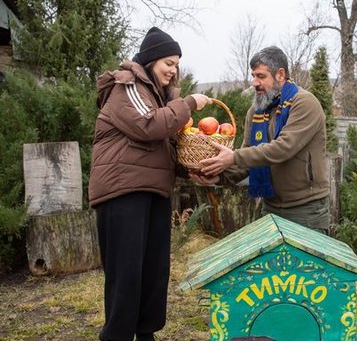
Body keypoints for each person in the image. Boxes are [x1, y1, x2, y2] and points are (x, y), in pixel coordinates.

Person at [88, 26, 211, 341]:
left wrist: (189, 171)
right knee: (126, 274)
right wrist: (190, 104)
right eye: (168, 62)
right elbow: (149, 127)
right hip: (123, 192)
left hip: (154, 191)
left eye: (176, 64)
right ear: (151, 59)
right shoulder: (127, 85)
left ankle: (145, 335)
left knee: (154, 273)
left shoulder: (157, 96)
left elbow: (160, 148)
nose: (173, 70)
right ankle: (115, 336)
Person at [190, 46, 331, 234]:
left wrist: (233, 157)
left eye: (261, 76)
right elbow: (248, 158)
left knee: (305, 264)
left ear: (280, 74)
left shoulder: (304, 103)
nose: (254, 83)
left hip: (305, 209)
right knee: (270, 263)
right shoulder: (256, 110)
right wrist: (218, 176)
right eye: (253, 76)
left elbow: (283, 148)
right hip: (270, 206)